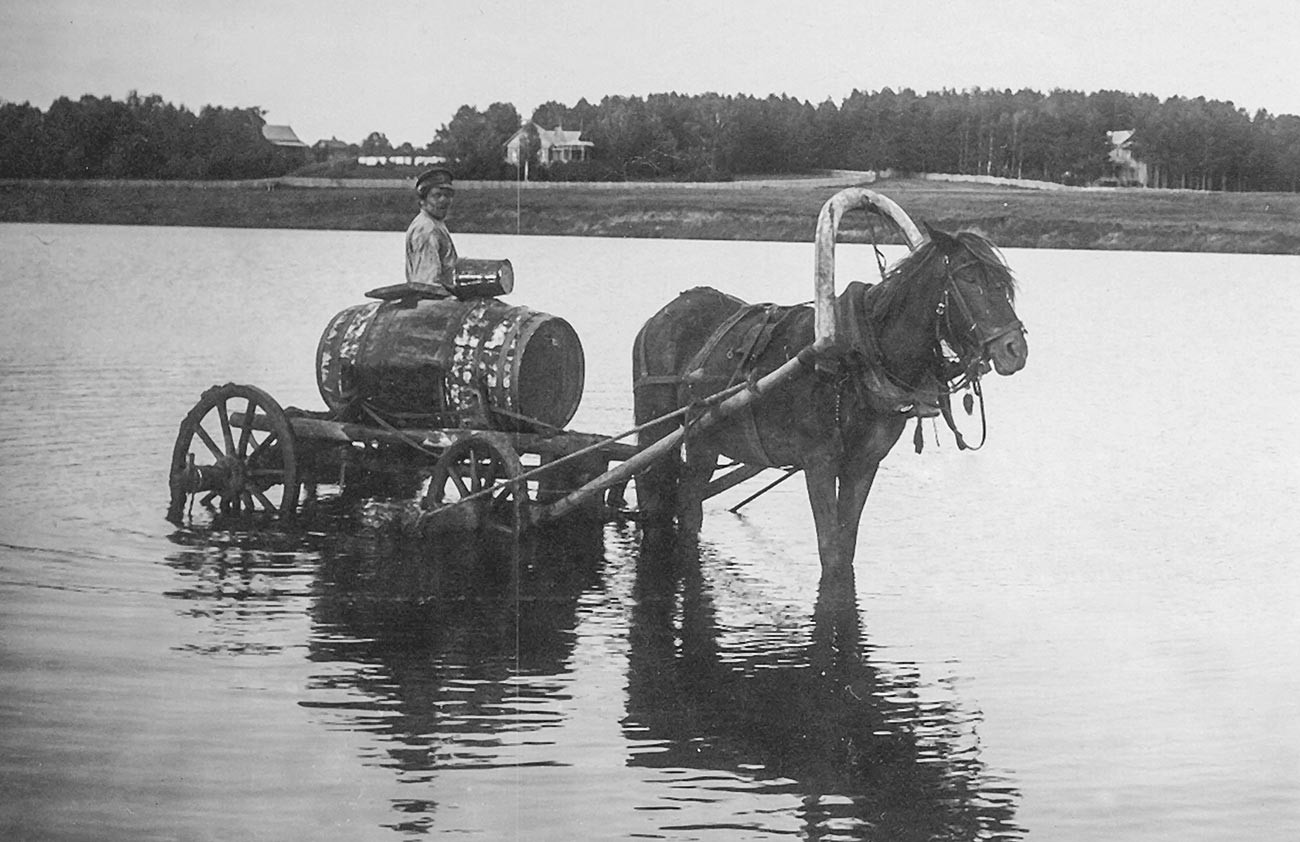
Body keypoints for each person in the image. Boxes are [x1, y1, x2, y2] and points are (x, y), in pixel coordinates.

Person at [405, 166, 458, 291]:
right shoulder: (426, 229)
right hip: (431, 303)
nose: (444, 200)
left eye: (448, 195)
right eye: (437, 195)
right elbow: (428, 283)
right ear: (422, 200)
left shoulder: (435, 223)